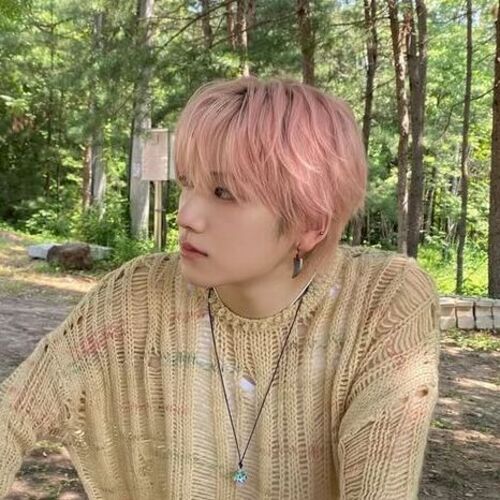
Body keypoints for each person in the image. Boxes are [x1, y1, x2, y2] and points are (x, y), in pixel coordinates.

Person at [0, 76, 440, 499]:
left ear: (310, 224)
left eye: (224, 192)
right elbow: (14, 412)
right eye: (187, 183)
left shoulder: (383, 302)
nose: (186, 216)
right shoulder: (137, 296)